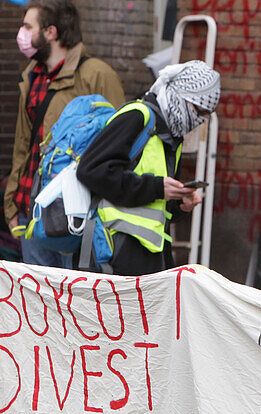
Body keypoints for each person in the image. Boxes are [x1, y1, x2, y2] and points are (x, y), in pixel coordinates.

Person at [3, 0, 124, 267]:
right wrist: (12, 202)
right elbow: (23, 145)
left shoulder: (97, 75)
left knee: (73, 295)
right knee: (37, 296)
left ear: (51, 32)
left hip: (78, 209)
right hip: (32, 207)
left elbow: (120, 145)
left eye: (28, 27)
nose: (22, 34)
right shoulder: (32, 75)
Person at [77, 61, 220, 276]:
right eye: (199, 110)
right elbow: (91, 170)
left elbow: (155, 205)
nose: (201, 120)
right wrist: (157, 188)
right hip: (113, 252)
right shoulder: (137, 116)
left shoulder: (172, 135)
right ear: (178, 97)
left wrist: (179, 203)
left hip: (151, 257)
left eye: (207, 114)